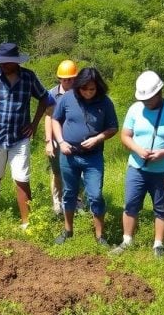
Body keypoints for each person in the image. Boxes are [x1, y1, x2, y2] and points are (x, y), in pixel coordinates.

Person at [0, 42, 50, 229]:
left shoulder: (28, 77)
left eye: (7, 62)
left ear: (16, 62)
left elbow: (44, 98)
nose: (3, 65)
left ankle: (27, 224)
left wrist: (34, 124)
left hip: (19, 138)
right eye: (0, 61)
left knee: (22, 179)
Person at [112, 70, 164, 257]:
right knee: (131, 204)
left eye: (150, 98)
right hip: (137, 167)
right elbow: (125, 136)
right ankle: (127, 240)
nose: (147, 102)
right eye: (144, 99)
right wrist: (138, 150)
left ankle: (158, 244)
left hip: (163, 170)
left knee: (160, 207)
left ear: (160, 93)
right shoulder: (134, 109)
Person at [51, 67, 118, 246]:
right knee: (69, 193)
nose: (88, 93)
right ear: (78, 86)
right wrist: (61, 141)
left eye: (92, 89)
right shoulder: (67, 98)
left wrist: (98, 138)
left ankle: (100, 236)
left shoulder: (104, 102)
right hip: (69, 155)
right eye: (84, 89)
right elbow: (55, 119)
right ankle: (68, 231)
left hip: (93, 157)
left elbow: (113, 127)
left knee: (95, 195)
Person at [44, 59, 78, 214]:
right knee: (57, 172)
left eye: (71, 79)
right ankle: (57, 203)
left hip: (75, 139)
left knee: (77, 171)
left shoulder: (80, 92)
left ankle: (77, 201)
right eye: (65, 79)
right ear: (59, 78)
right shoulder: (52, 94)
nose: (68, 82)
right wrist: (49, 141)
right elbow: (48, 117)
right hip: (57, 141)